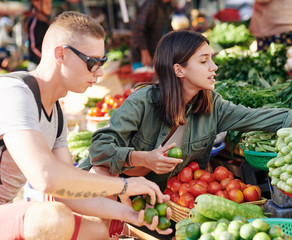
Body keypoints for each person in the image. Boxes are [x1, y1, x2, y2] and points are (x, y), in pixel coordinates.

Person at [79, 30, 292, 193]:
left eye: (211, 59)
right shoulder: (142, 102)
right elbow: (100, 148)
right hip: (125, 191)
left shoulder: (213, 105)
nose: (214, 67)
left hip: (173, 197)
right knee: (96, 174)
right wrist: (144, 158)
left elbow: (267, 117)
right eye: (204, 60)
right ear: (179, 70)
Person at [0, 11, 172, 240]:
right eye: (92, 63)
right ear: (60, 54)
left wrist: (129, 215)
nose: (100, 73)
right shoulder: (15, 93)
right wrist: (123, 186)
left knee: (98, 231)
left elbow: (64, 193)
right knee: (54, 219)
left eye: (102, 62)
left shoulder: (56, 114)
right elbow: (46, 178)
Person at [130, 0, 173, 72]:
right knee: (143, 80)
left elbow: (168, 28)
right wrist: (144, 52)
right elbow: (137, 29)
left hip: (155, 54)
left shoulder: (165, 6)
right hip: (142, 56)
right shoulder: (151, 4)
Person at [24, 0, 52, 71]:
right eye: (46, 3)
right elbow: (33, 47)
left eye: (50, 3)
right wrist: (48, 58)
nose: (50, 6)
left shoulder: (47, 21)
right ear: (36, 4)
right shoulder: (34, 23)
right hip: (36, 65)